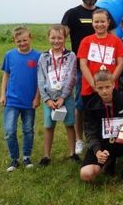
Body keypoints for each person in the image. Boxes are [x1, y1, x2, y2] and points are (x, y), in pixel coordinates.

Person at [61, 0, 117, 155]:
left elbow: (113, 38)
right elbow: (61, 37)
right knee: (81, 105)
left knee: (105, 102)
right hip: (82, 68)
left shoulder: (104, 13)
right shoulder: (72, 14)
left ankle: (106, 136)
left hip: (105, 71)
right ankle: (79, 139)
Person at [79, 70, 123, 187]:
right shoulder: (90, 105)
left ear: (113, 84)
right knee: (86, 174)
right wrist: (97, 151)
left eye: (107, 87)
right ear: (95, 88)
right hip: (103, 145)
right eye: (100, 88)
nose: (104, 91)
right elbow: (90, 133)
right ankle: (108, 161)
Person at [0, 26, 41, 172]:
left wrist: (37, 97)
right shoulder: (9, 55)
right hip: (12, 100)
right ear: (14, 41)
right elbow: (6, 75)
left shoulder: (38, 56)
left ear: (30, 38)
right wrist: (3, 94)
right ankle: (14, 158)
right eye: (19, 41)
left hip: (29, 101)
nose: (22, 43)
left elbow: (40, 80)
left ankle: (27, 157)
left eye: (24, 40)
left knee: (28, 129)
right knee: (9, 130)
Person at [37, 25, 79, 166]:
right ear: (48, 38)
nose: (56, 41)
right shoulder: (43, 57)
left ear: (65, 38)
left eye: (60, 38)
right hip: (49, 98)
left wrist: (63, 97)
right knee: (49, 126)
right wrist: (47, 99)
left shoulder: (71, 56)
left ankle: (72, 153)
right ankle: (46, 155)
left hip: (66, 98)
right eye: (53, 38)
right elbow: (41, 79)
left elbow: (72, 77)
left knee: (69, 125)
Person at [78, 9, 123, 109]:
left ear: (108, 22)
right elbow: (83, 65)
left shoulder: (116, 41)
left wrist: (109, 83)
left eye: (102, 21)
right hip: (90, 88)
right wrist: (94, 85)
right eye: (96, 22)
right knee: (92, 120)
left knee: (111, 119)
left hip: (110, 89)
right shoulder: (86, 41)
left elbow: (120, 64)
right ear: (92, 23)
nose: (99, 24)